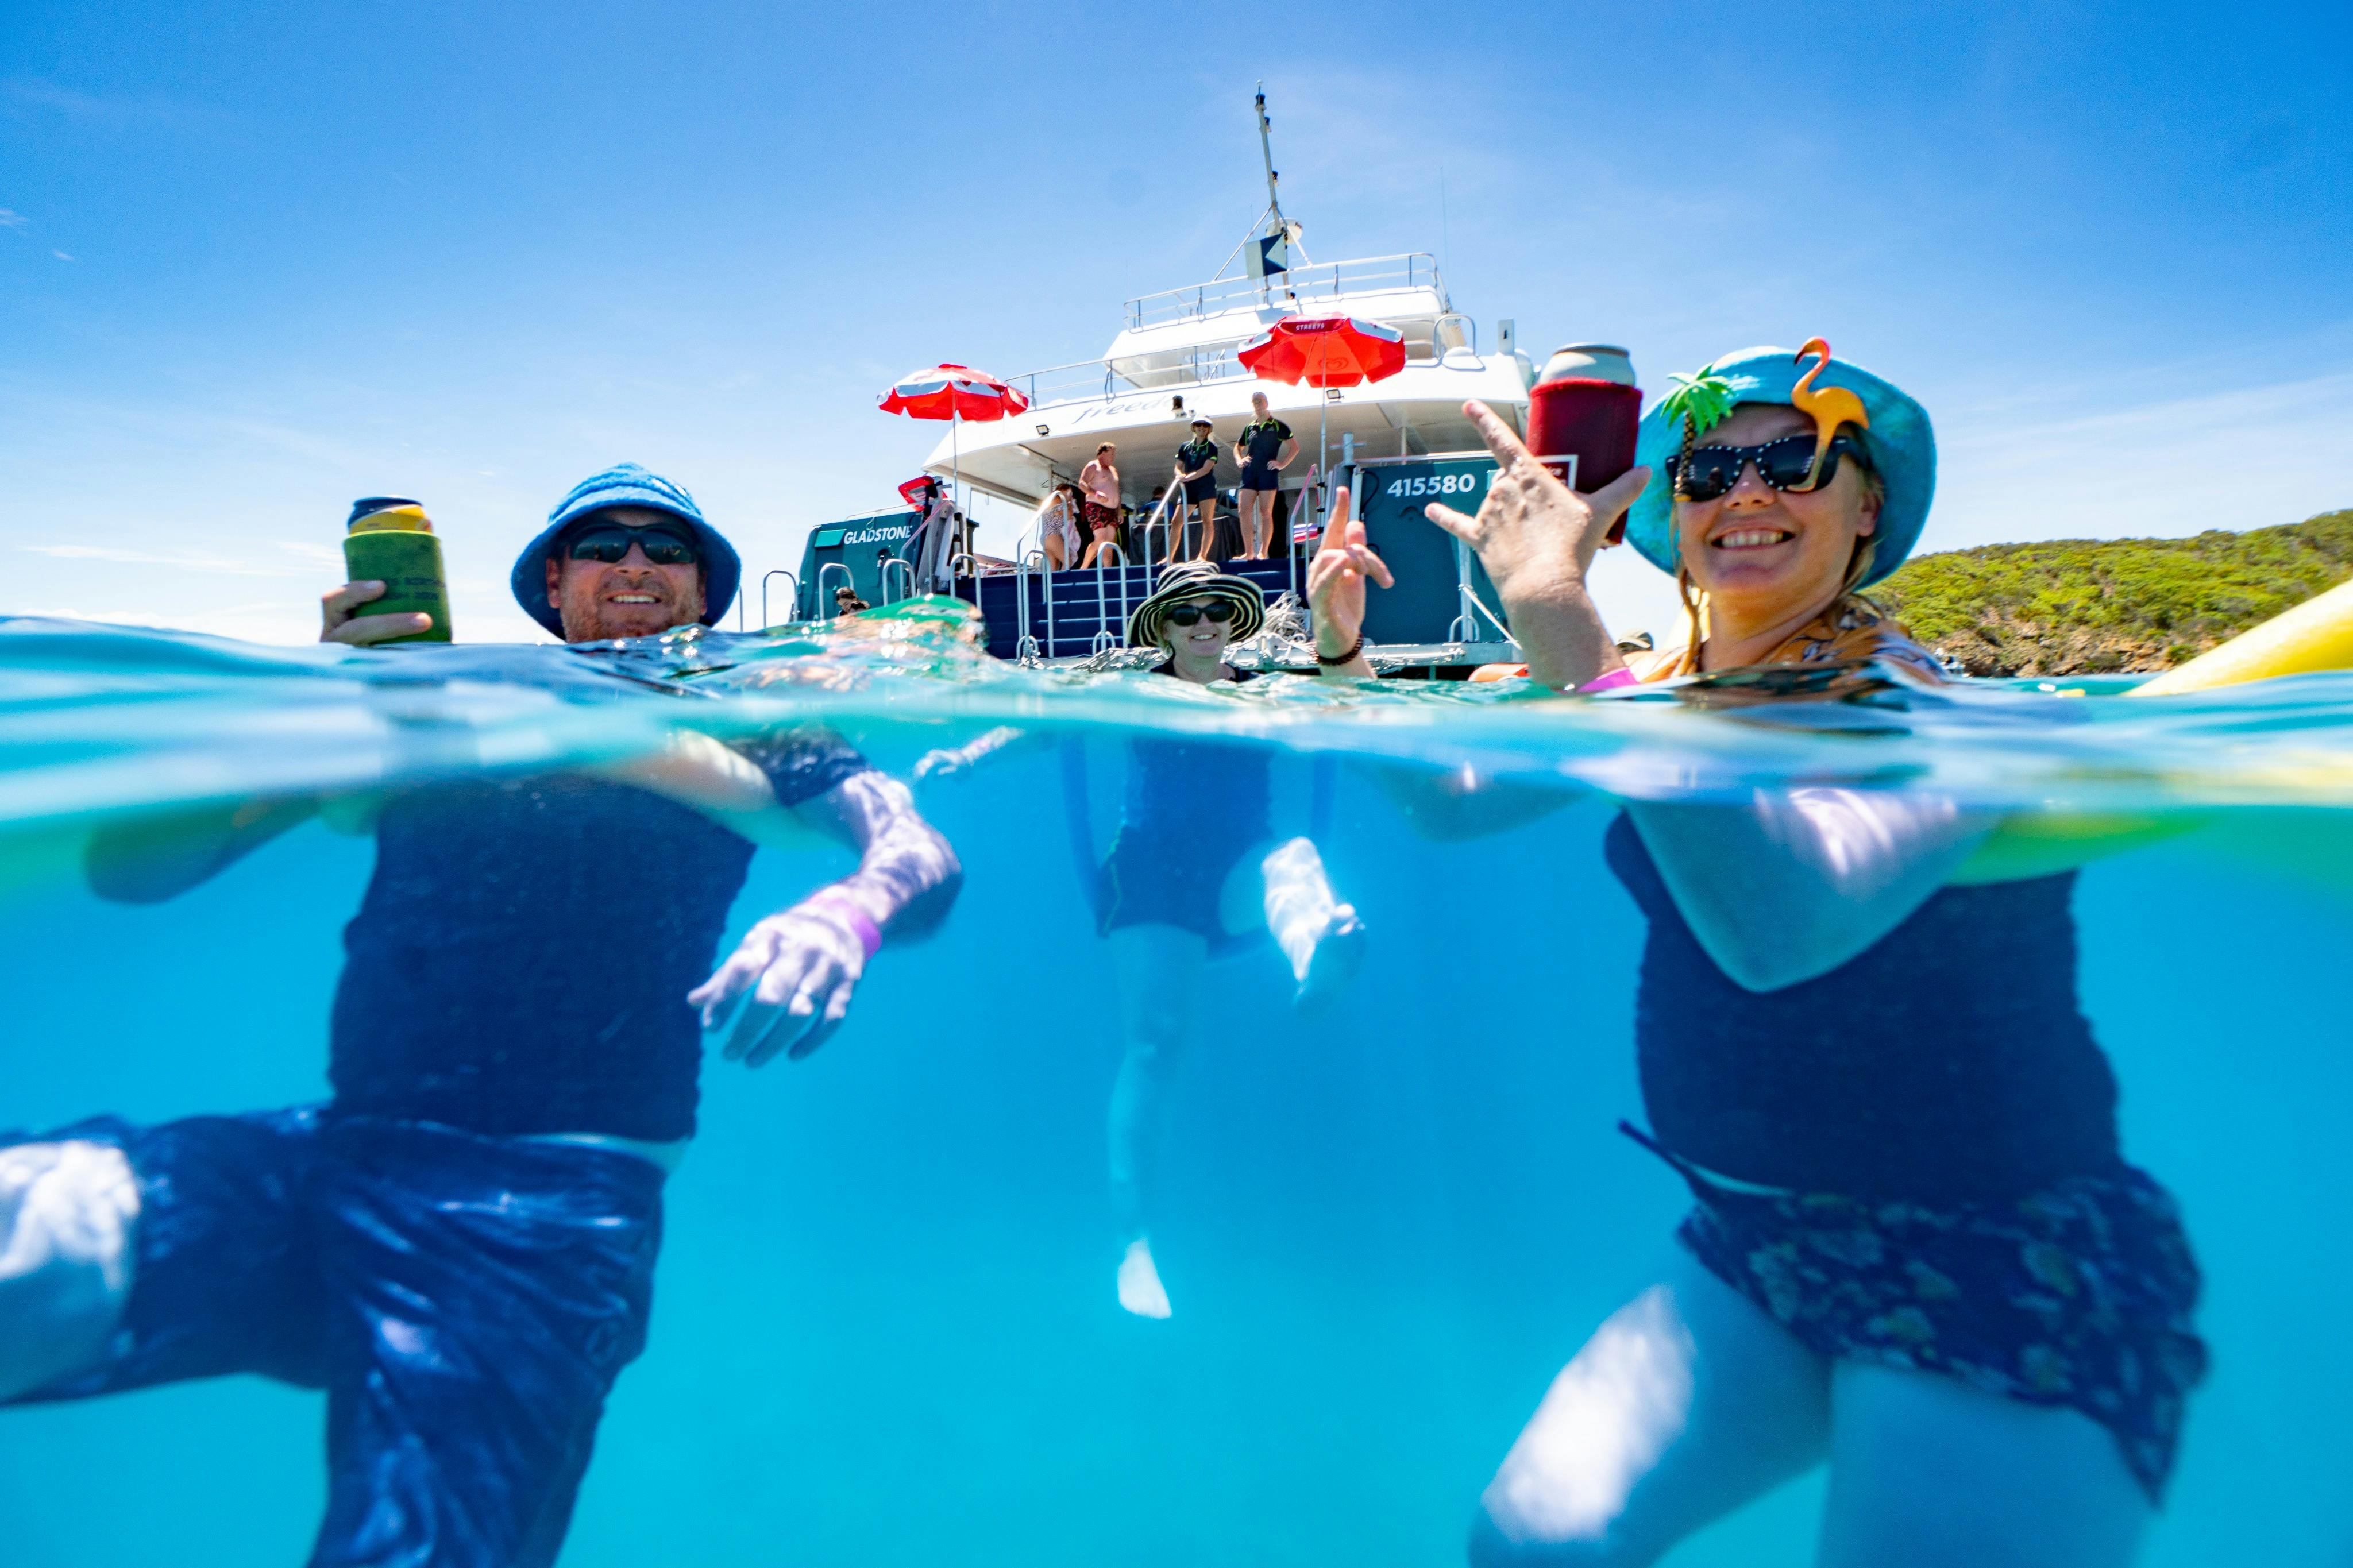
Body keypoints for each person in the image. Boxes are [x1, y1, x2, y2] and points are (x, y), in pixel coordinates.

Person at [1308, 348, 2204, 1567]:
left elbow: (1780, 929)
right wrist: (1342, 659)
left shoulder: (1933, 709)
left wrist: (1560, 615)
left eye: (1792, 459)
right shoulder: (1658, 695)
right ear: (1671, 514)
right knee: (1531, 1543)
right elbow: (1447, 811)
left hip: (2004, 1255)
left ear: (1867, 506)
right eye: (1707, 469)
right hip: (1757, 1247)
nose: (1744, 490)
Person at [0, 462, 965, 1568]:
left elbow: (917, 850)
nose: (637, 566)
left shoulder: (747, 717)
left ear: (704, 592)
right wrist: (316, 716)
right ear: (554, 582)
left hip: (542, 1209)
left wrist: (846, 916)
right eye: (603, 546)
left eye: (667, 550)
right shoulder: (435, 698)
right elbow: (137, 874)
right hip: (332, 1156)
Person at [1098, 563, 1366, 1319]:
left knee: (1296, 859)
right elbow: (1040, 726)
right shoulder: (1134, 691)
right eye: (1187, 613)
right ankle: (1132, 1243)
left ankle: (1316, 957)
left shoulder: (1267, 690)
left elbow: (1351, 706)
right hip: (1151, 877)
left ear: (1234, 618)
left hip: (1237, 871)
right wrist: (972, 754)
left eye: (1217, 608)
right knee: (1156, 1045)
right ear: (1163, 628)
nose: (1205, 623)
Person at [1235, 391, 1297, 559]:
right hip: (1249, 472)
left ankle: (1263, 552)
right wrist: (1239, 459)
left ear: (1266, 403)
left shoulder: (1278, 426)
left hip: (1268, 473)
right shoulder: (1250, 428)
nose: (1257, 404)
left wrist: (1282, 464)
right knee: (1243, 511)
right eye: (1254, 402)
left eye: (1260, 401)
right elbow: (1238, 447)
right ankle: (1249, 552)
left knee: (1266, 512)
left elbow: (1294, 448)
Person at [1171, 416, 1222, 563]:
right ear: (1194, 427)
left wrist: (1187, 477)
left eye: (1205, 425)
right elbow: (1178, 466)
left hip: (1206, 486)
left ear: (1209, 429)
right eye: (1199, 425)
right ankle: (1170, 556)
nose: (1202, 428)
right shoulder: (1185, 446)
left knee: (1207, 520)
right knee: (1176, 521)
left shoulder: (1212, 447)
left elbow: (1206, 469)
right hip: (1189, 488)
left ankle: (1202, 556)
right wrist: (1179, 475)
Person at [1079, 443, 1123, 566]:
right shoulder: (1093, 466)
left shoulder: (1113, 470)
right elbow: (1082, 484)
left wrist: (1119, 511)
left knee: (1109, 542)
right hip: (1096, 506)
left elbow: (1117, 491)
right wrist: (1096, 494)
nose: (1113, 457)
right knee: (1100, 539)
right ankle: (1084, 567)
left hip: (1112, 509)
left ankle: (1107, 570)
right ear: (1103, 453)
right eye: (1111, 454)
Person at [1037, 481, 1083, 570]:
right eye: (1068, 493)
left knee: (1053, 568)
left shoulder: (1050, 501)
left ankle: (1054, 580)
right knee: (1068, 562)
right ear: (1062, 491)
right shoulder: (1058, 500)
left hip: (1046, 537)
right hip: (1053, 536)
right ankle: (1064, 578)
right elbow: (1068, 516)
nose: (1070, 495)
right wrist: (1069, 501)